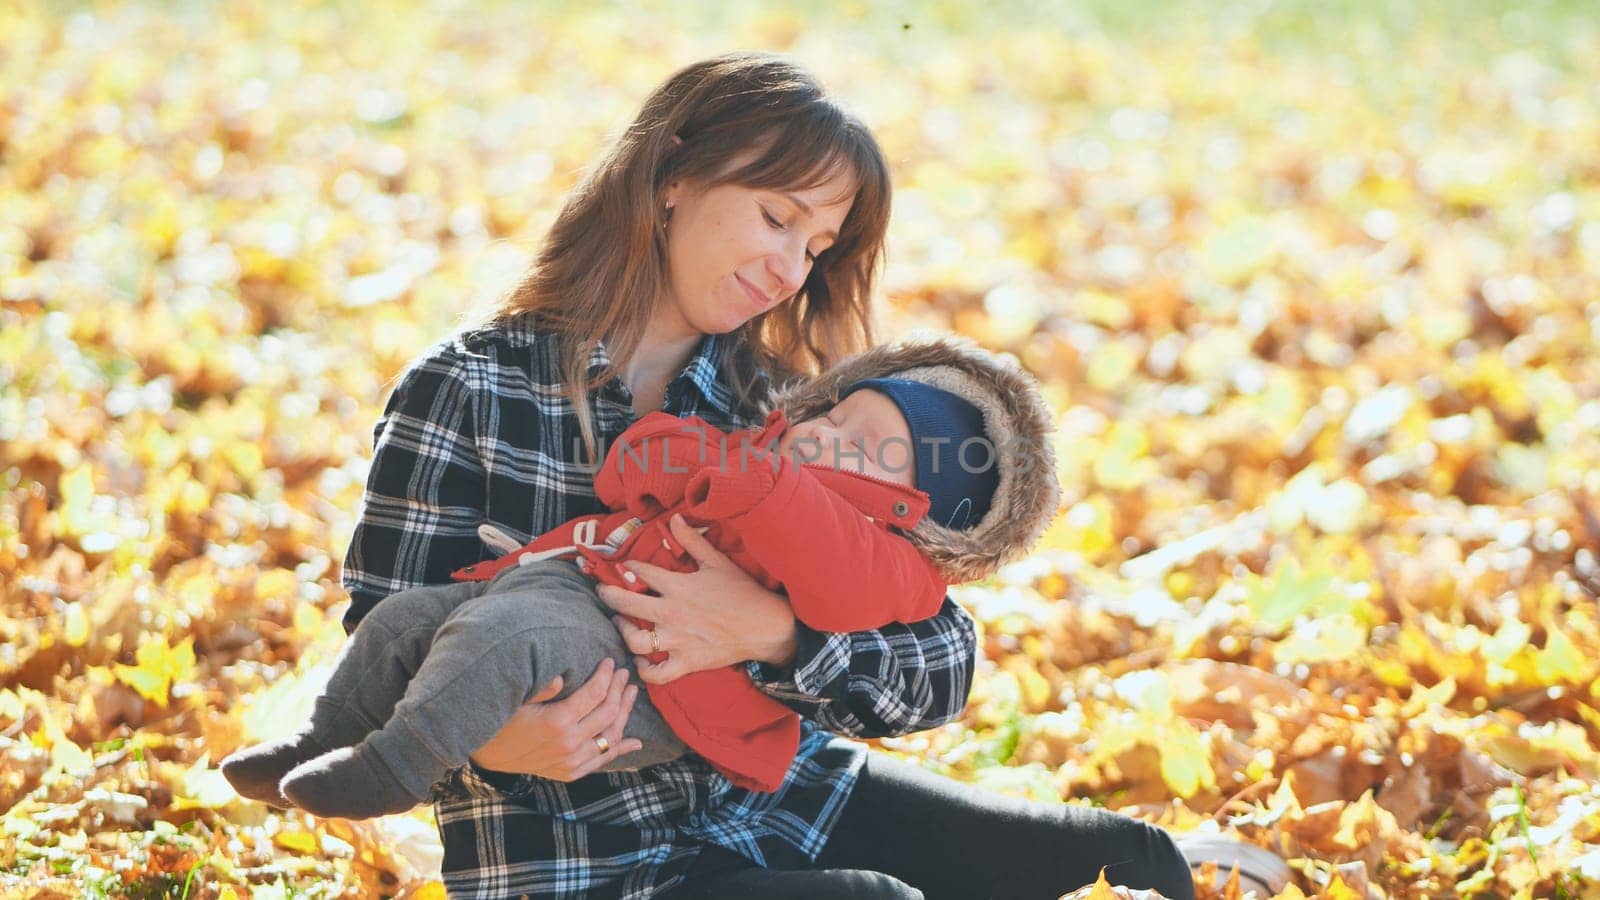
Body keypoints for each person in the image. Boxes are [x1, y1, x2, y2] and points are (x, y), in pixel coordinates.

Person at [321, 52, 1200, 899]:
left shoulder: (781, 407)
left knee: (1136, 864)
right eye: (777, 218)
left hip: (786, 799)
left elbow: (942, 659)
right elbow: (383, 636)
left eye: (816, 246)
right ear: (670, 179)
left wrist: (772, 633)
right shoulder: (470, 387)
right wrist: (498, 739)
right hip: (590, 858)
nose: (789, 271)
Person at [220, 338, 1057, 817]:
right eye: (834, 417)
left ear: (904, 506)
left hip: (655, 677)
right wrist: (675, 460)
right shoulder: (475, 380)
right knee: (408, 620)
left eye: (862, 448)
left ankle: (392, 770)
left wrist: (768, 628)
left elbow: (910, 639)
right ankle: (324, 738)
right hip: (576, 598)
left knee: (508, 636)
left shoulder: (874, 552)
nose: (826, 437)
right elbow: (634, 485)